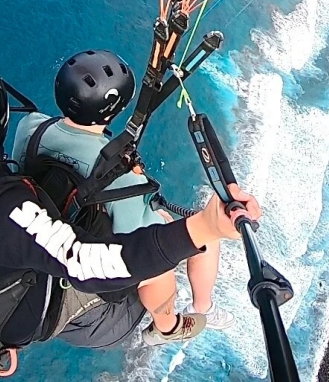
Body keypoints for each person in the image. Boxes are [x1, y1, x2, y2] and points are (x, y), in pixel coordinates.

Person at [0, 40, 259, 351]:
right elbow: (101, 257)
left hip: (19, 263)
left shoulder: (18, 132)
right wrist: (204, 228)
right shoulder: (12, 209)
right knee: (175, 256)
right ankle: (172, 324)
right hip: (72, 313)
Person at [12, 49, 235, 347]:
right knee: (195, 239)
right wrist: (138, 186)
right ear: (113, 111)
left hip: (33, 266)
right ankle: (172, 325)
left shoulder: (31, 127)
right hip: (87, 314)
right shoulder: (123, 180)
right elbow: (144, 246)